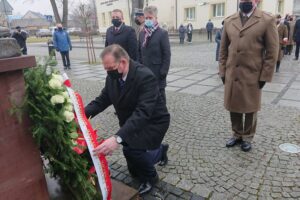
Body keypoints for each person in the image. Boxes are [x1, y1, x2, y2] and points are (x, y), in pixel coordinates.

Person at [85, 44, 170, 195]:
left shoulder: (145, 76)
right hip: (132, 121)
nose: (108, 72)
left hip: (152, 121)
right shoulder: (112, 77)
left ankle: (151, 177)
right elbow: (103, 99)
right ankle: (160, 151)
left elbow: (143, 113)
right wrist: (81, 114)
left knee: (132, 151)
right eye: (106, 69)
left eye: (110, 68)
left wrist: (117, 138)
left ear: (123, 62)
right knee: (133, 166)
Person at [219, 0, 279, 152]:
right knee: (234, 105)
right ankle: (237, 134)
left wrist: (265, 76)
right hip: (233, 72)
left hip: (253, 73)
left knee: (250, 107)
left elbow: (272, 52)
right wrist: (222, 71)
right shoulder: (229, 21)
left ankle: (247, 137)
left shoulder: (266, 20)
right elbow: (223, 50)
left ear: (256, 1)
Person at [138, 6, 171, 104]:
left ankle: (162, 116)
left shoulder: (162, 33)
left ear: (156, 18)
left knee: (160, 96)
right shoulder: (142, 33)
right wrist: (139, 67)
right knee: (146, 95)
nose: (148, 20)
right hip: (144, 71)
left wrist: (163, 71)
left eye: (150, 18)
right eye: (146, 18)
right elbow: (139, 51)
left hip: (157, 72)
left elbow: (167, 54)